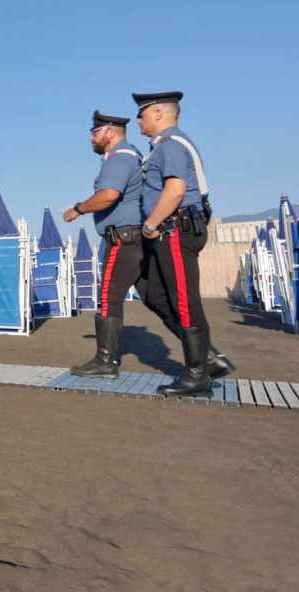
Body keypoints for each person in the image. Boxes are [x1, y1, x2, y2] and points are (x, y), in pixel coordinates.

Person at [133, 90, 235, 396]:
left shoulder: (170, 145)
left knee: (183, 300)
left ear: (159, 114)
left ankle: (196, 375)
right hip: (173, 228)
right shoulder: (163, 147)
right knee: (155, 293)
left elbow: (175, 191)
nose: (138, 119)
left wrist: (151, 223)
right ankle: (206, 359)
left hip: (174, 227)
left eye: (142, 113)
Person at [63, 111, 144, 378]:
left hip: (122, 239)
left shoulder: (118, 158)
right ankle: (206, 356)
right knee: (159, 300)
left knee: (109, 299)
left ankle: (105, 362)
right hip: (137, 238)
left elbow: (108, 196)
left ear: (110, 132)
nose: (91, 136)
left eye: (95, 132)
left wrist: (79, 208)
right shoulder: (132, 155)